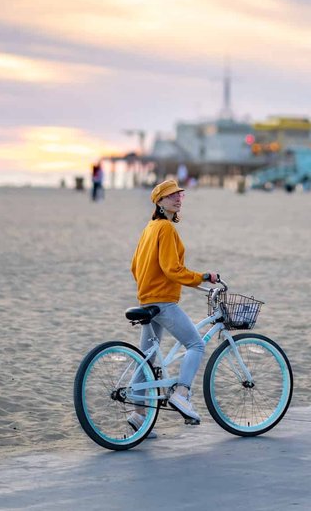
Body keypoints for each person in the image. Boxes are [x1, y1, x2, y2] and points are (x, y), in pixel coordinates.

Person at [129, 178, 218, 434]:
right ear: (159, 202)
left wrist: (148, 286)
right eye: (171, 196)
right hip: (162, 301)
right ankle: (181, 392)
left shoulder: (149, 228)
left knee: (147, 358)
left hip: (147, 299)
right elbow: (172, 269)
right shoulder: (165, 229)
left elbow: (135, 266)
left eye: (180, 195)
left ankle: (138, 414)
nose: (178, 199)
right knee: (196, 344)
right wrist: (202, 277)